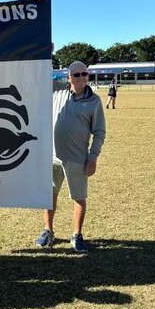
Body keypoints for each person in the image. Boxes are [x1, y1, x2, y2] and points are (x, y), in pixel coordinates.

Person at [36, 61, 106, 253]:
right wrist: (46, 54)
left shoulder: (94, 101)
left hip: (77, 159)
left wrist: (93, 157)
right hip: (53, 157)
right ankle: (48, 231)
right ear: (68, 78)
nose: (81, 77)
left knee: (79, 198)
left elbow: (99, 132)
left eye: (84, 73)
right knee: (48, 196)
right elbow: (42, 76)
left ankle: (77, 235)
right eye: (76, 75)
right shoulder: (57, 91)